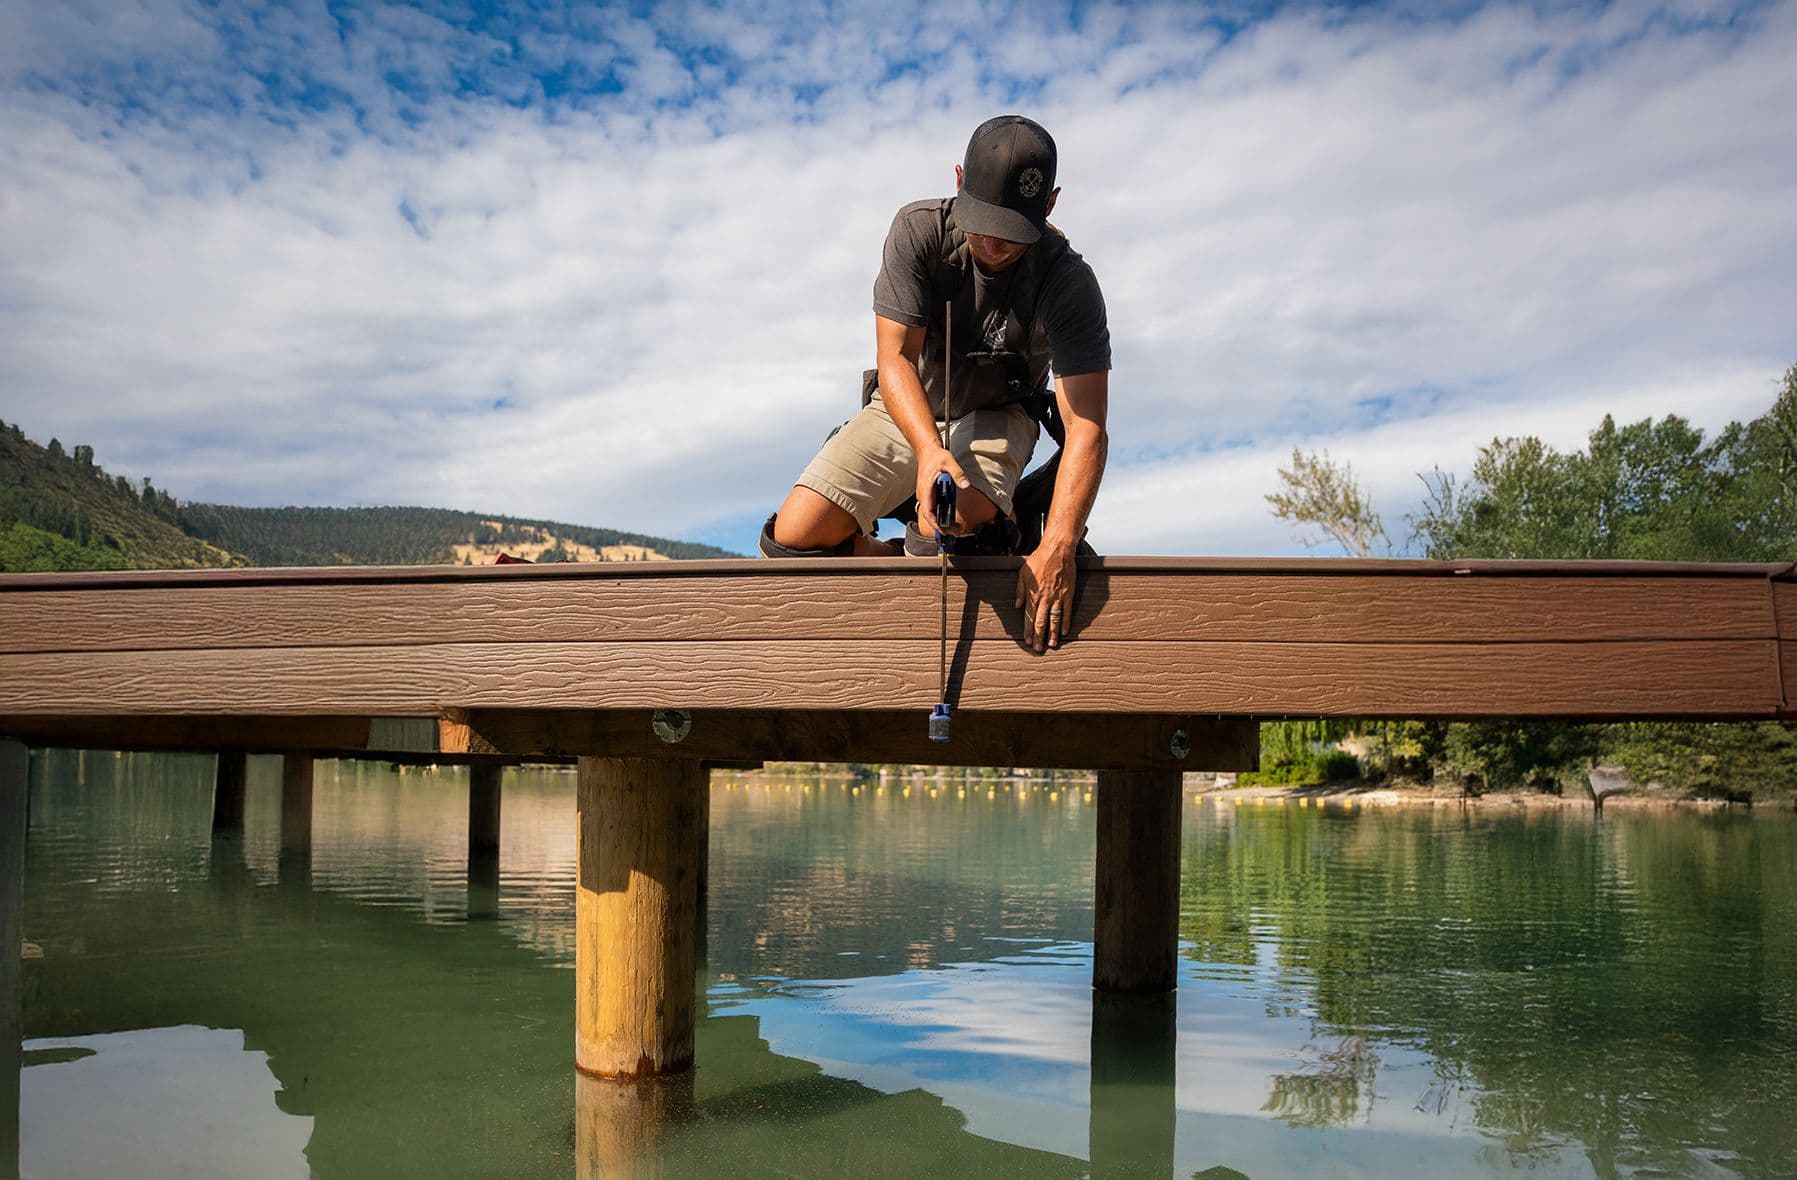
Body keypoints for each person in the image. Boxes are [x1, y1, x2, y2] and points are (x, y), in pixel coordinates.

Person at [761, 115, 1110, 654]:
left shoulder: (1069, 283)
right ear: (957, 179)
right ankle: (897, 547)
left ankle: (1001, 521)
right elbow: (895, 356)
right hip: (910, 405)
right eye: (981, 222)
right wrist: (928, 451)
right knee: (794, 537)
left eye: (1011, 231)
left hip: (999, 412)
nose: (993, 243)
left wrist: (1059, 543)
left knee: (944, 535)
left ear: (1050, 204)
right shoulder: (917, 231)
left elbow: (1086, 428)